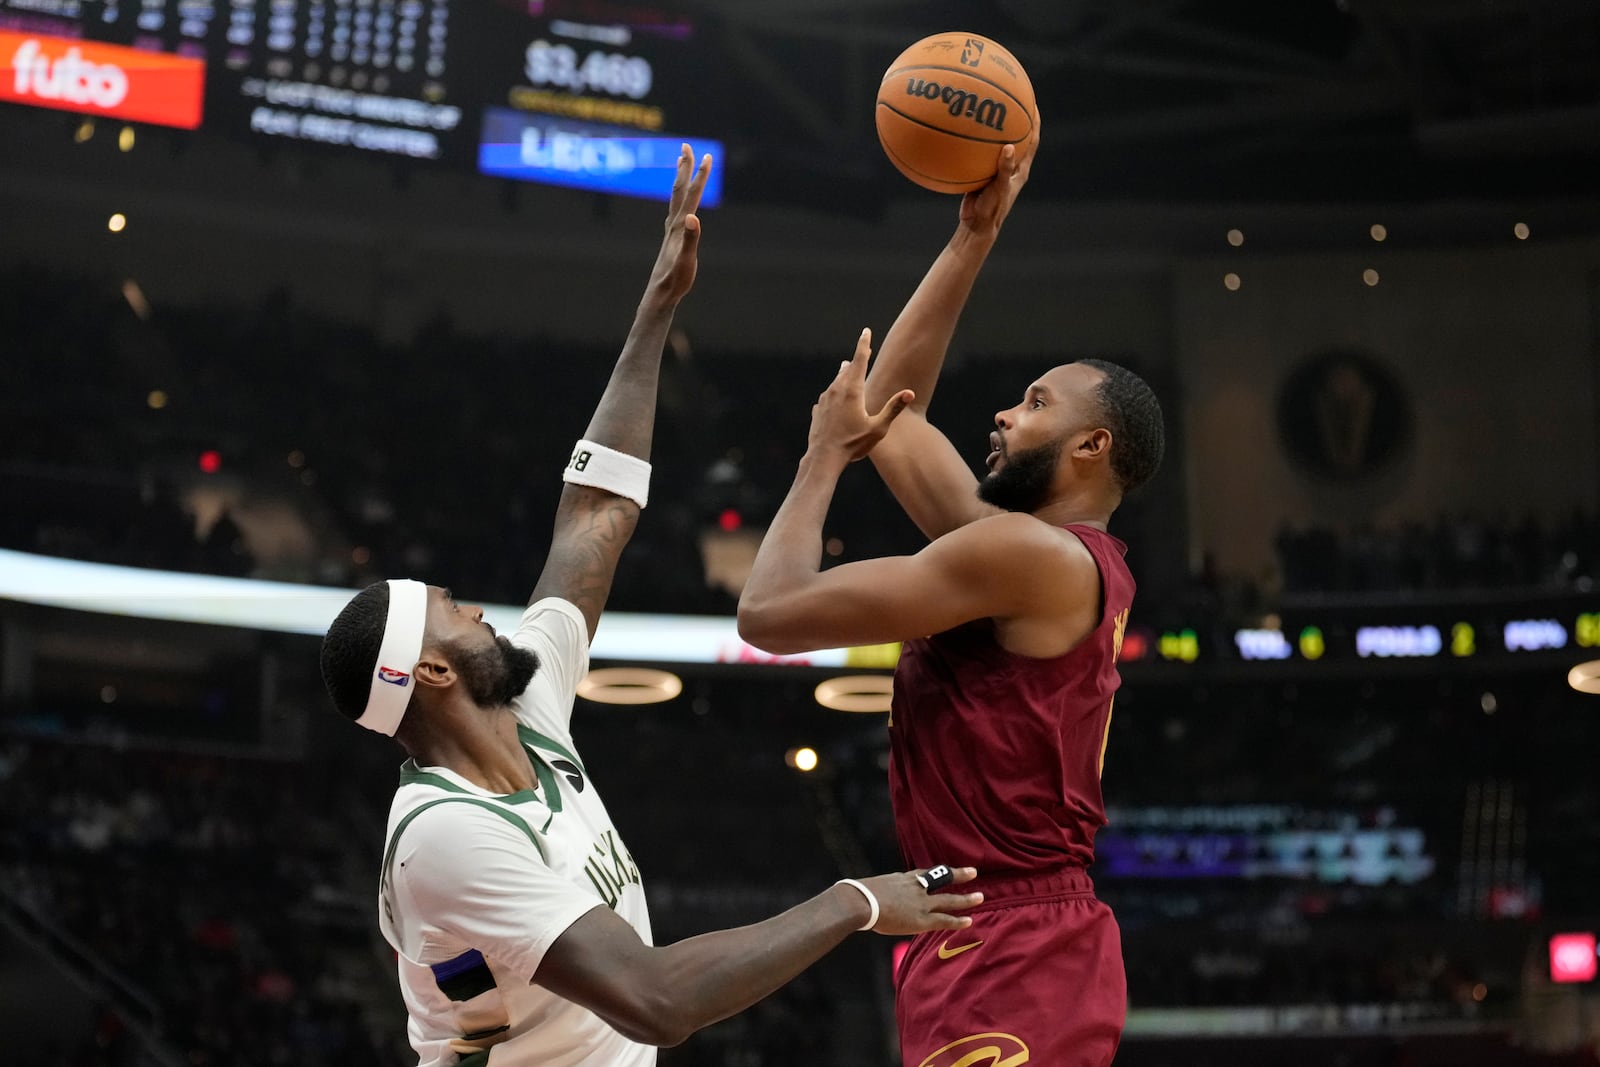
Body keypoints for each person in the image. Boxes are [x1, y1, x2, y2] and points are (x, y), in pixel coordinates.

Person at [317, 147, 982, 1067]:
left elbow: (594, 517)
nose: (479, 612)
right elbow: (657, 999)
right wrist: (854, 901)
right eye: (454, 610)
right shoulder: (445, 837)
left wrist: (656, 306)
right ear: (430, 673)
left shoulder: (523, 704)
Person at [737, 130, 1165, 1067]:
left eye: (1037, 402)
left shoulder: (1024, 552)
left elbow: (768, 612)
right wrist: (973, 235)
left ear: (1093, 446)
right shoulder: (1027, 548)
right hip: (992, 927)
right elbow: (891, 408)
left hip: (1009, 936)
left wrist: (818, 465)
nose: (1006, 414)